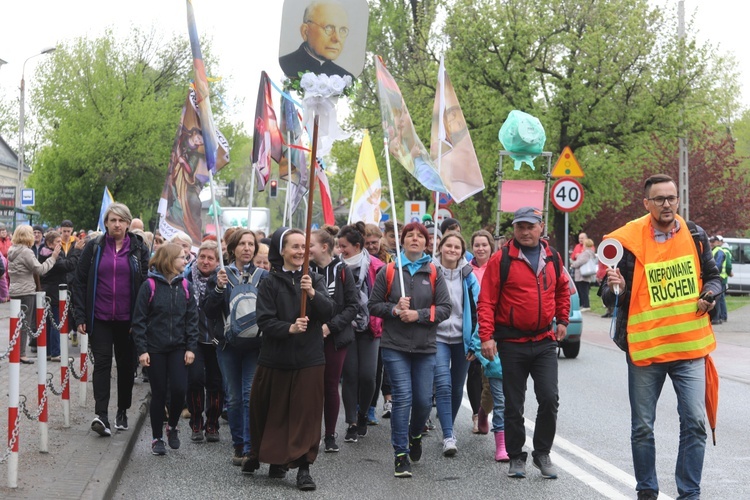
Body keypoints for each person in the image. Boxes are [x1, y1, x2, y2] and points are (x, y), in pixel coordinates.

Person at [600, 174, 720, 500]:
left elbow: (713, 278)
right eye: (659, 199)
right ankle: (647, 491)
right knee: (642, 428)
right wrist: (618, 289)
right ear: (646, 204)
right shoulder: (628, 242)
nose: (667, 204)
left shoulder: (695, 234)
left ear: (678, 199)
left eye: (672, 197)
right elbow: (607, 296)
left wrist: (710, 293)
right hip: (645, 349)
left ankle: (689, 493)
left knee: (695, 423)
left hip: (689, 347)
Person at [478, 206, 570, 480]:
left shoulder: (553, 257)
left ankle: (542, 453)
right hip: (512, 342)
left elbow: (563, 288)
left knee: (549, 398)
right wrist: (486, 336)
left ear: (541, 228)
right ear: (514, 229)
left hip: (544, 340)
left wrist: (562, 320)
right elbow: (487, 300)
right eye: (520, 226)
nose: (525, 231)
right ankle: (516, 456)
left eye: (530, 226)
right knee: (513, 404)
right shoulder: (502, 259)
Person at [246, 228, 334, 491]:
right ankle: (272, 458)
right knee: (272, 409)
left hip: (309, 357)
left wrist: (313, 294)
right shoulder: (270, 282)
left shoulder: (315, 280)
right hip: (276, 356)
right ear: (281, 250)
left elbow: (329, 311)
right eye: (294, 247)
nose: (300, 252)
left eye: (304, 248)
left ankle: (303, 468)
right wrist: (289, 329)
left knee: (305, 414)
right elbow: (264, 320)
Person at [368, 222, 451, 478]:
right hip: (395, 346)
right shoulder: (390, 271)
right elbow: (373, 305)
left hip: (426, 347)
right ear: (402, 241)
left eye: (420, 236)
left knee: (424, 401)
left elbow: (446, 309)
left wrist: (419, 315)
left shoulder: (434, 271)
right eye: (409, 236)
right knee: (402, 397)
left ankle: (416, 435)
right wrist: (394, 309)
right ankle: (400, 453)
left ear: (427, 243)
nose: (415, 239)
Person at [72, 202, 150, 437]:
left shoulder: (138, 248)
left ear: (128, 223)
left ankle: (122, 410)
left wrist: (142, 319)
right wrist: (80, 316)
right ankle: (101, 415)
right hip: (100, 317)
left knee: (126, 367)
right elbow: (79, 281)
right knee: (103, 364)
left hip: (129, 320)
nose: (117, 224)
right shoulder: (94, 247)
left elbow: (147, 284)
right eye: (112, 220)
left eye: (121, 220)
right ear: (106, 222)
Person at [203, 229, 268, 467]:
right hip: (227, 346)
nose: (247, 248)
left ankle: (251, 448)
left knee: (249, 395)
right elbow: (208, 312)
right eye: (242, 244)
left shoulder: (263, 277)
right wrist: (219, 289)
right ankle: (238, 445)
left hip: (255, 346)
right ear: (233, 248)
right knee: (233, 397)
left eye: (251, 244)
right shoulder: (221, 275)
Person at [132, 243, 198, 455]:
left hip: (179, 347)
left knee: (179, 390)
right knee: (159, 393)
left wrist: (191, 347)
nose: (185, 261)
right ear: (169, 260)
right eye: (181, 257)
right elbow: (139, 320)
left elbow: (192, 319)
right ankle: (156, 438)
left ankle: (172, 427)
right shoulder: (149, 286)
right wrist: (142, 350)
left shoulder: (186, 286)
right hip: (155, 349)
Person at [309, 226, 358, 452]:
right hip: (309, 335)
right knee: (310, 386)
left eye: (310, 246)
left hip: (335, 337)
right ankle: (309, 433)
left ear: (324, 247)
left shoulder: (342, 270)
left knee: (330, 385)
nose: (306, 250)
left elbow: (352, 306)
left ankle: (329, 434)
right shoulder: (304, 270)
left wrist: (330, 327)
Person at [336, 222, 385, 443]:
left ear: (357, 246)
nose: (340, 250)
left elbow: (385, 295)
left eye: (344, 246)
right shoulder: (336, 267)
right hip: (346, 327)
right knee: (351, 376)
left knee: (368, 376)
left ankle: (364, 412)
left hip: (371, 326)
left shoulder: (378, 266)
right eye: (338, 246)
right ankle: (352, 423)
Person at [432, 231, 479, 457]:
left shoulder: (469, 274)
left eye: (457, 247)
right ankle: (448, 435)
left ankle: (448, 425)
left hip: (463, 338)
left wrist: (476, 342)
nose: (452, 250)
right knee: (443, 384)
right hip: (437, 336)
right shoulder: (430, 271)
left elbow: (480, 307)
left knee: (457, 385)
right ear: (441, 247)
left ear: (462, 252)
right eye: (448, 246)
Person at [184, 240, 224, 443]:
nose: (205, 261)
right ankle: (196, 421)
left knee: (216, 383)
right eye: (202, 257)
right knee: (195, 380)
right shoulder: (185, 278)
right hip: (195, 339)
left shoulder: (223, 280)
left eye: (210, 258)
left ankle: (213, 423)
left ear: (217, 261)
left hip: (217, 339)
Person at [8, 225, 61, 364]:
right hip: (26, 291)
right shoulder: (26, 252)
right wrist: (53, 257)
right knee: (25, 324)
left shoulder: (11, 249)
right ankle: (22, 354)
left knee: (15, 323)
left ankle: (14, 351)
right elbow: (41, 269)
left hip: (14, 290)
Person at [279, 1, 353, 78]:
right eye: (328, 28)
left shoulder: (346, 77)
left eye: (343, 30)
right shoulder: (282, 67)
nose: (337, 38)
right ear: (305, 31)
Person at [467, 229, 495, 433]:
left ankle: (486, 410)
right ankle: (477, 416)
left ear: (490, 247)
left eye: (484, 244)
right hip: (472, 325)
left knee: (493, 374)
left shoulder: (497, 267)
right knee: (475, 372)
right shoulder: (466, 270)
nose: (480, 248)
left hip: (493, 326)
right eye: (477, 245)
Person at [38, 231, 80, 361]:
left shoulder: (46, 253)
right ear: (50, 243)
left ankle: (50, 351)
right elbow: (68, 265)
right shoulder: (51, 256)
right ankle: (56, 352)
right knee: (56, 323)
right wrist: (76, 251)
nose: (59, 245)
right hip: (54, 293)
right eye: (57, 242)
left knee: (51, 323)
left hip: (50, 291)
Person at [569, 238, 597, 311]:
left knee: (583, 291)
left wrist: (573, 264)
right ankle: (583, 304)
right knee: (583, 290)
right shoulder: (590, 252)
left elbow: (581, 261)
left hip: (582, 275)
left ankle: (586, 305)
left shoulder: (586, 253)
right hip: (585, 275)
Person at [709, 235, 732, 324]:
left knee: (717, 298)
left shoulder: (718, 251)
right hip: (719, 277)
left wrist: (712, 273)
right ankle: (719, 317)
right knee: (719, 298)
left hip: (718, 277)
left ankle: (717, 318)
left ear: (718, 242)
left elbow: (717, 265)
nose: (711, 243)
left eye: (713, 241)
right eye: (711, 241)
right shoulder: (716, 250)